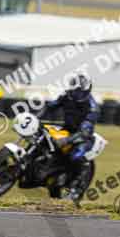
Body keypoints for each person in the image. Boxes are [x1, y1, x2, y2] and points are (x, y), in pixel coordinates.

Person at [38, 73, 99, 204]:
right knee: (44, 141)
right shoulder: (67, 97)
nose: (73, 91)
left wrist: (67, 140)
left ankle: (78, 187)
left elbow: (85, 130)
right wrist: (37, 118)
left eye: (76, 88)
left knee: (75, 156)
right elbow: (51, 106)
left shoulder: (92, 108)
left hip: (83, 137)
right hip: (66, 130)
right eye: (72, 87)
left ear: (85, 89)